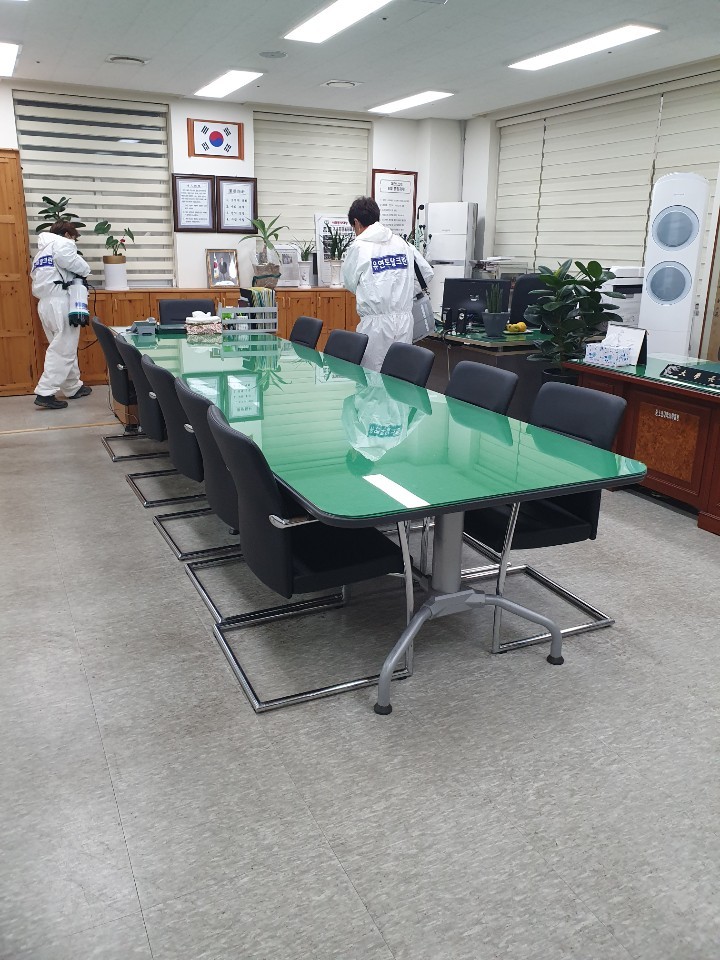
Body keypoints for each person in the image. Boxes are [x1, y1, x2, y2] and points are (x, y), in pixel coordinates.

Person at [341, 196, 433, 371]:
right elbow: (426, 273)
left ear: (356, 222)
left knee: (371, 376)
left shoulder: (359, 247)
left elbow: (350, 283)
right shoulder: (402, 243)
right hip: (405, 321)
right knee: (399, 374)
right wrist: (403, 293)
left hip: (375, 325)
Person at [31, 221, 92, 410]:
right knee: (63, 348)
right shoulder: (63, 244)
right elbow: (77, 265)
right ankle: (45, 392)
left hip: (45, 303)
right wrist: (86, 269)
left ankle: (73, 387)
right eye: (73, 237)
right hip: (60, 302)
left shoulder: (42, 252)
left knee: (63, 346)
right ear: (67, 234)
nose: (73, 241)